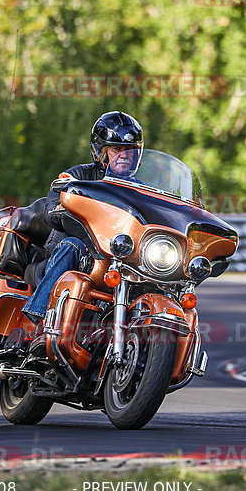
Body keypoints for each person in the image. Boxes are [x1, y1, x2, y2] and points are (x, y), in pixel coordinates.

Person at [20, 111, 143, 334]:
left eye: (129, 150)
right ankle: (33, 323)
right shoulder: (79, 176)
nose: (124, 155)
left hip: (120, 257)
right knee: (72, 246)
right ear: (101, 151)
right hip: (80, 251)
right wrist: (63, 210)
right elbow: (53, 206)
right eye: (117, 149)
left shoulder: (142, 190)